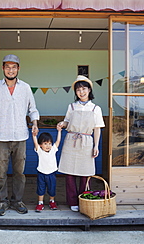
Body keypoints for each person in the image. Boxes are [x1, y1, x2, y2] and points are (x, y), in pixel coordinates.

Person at [0, 54, 40, 216]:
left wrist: (35, 123)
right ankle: (2, 201)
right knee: (1, 172)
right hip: (1, 137)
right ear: (3, 68)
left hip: (21, 136)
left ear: (18, 69)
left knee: (19, 172)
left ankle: (17, 201)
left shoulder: (25, 88)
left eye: (14, 67)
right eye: (7, 67)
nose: (10, 70)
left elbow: (33, 108)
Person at [57, 75, 105, 212]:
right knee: (69, 173)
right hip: (71, 140)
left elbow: (97, 129)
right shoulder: (72, 107)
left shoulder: (96, 109)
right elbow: (67, 122)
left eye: (84, 89)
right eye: (78, 90)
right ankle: (72, 201)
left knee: (85, 174)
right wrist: (62, 124)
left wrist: (96, 146)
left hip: (86, 141)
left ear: (89, 90)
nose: (81, 92)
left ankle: (83, 199)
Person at [32, 127, 62, 212]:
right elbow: (35, 143)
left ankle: (52, 201)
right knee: (40, 188)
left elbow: (58, 141)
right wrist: (34, 135)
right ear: (40, 144)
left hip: (52, 174)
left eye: (49, 143)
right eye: (45, 143)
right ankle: (40, 203)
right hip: (41, 173)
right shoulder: (39, 151)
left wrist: (59, 131)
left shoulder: (53, 149)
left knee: (52, 188)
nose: (48, 145)